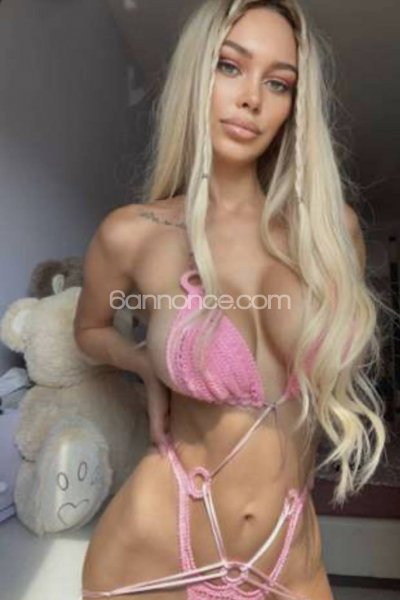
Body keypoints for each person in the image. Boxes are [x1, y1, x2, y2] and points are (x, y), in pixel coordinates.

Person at [75, 1, 387, 598]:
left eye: (278, 83)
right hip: (153, 548)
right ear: (198, 75)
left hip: (287, 554)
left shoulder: (329, 234)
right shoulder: (135, 233)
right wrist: (143, 362)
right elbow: (88, 329)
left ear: (294, 106)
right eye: (230, 66)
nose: (252, 99)